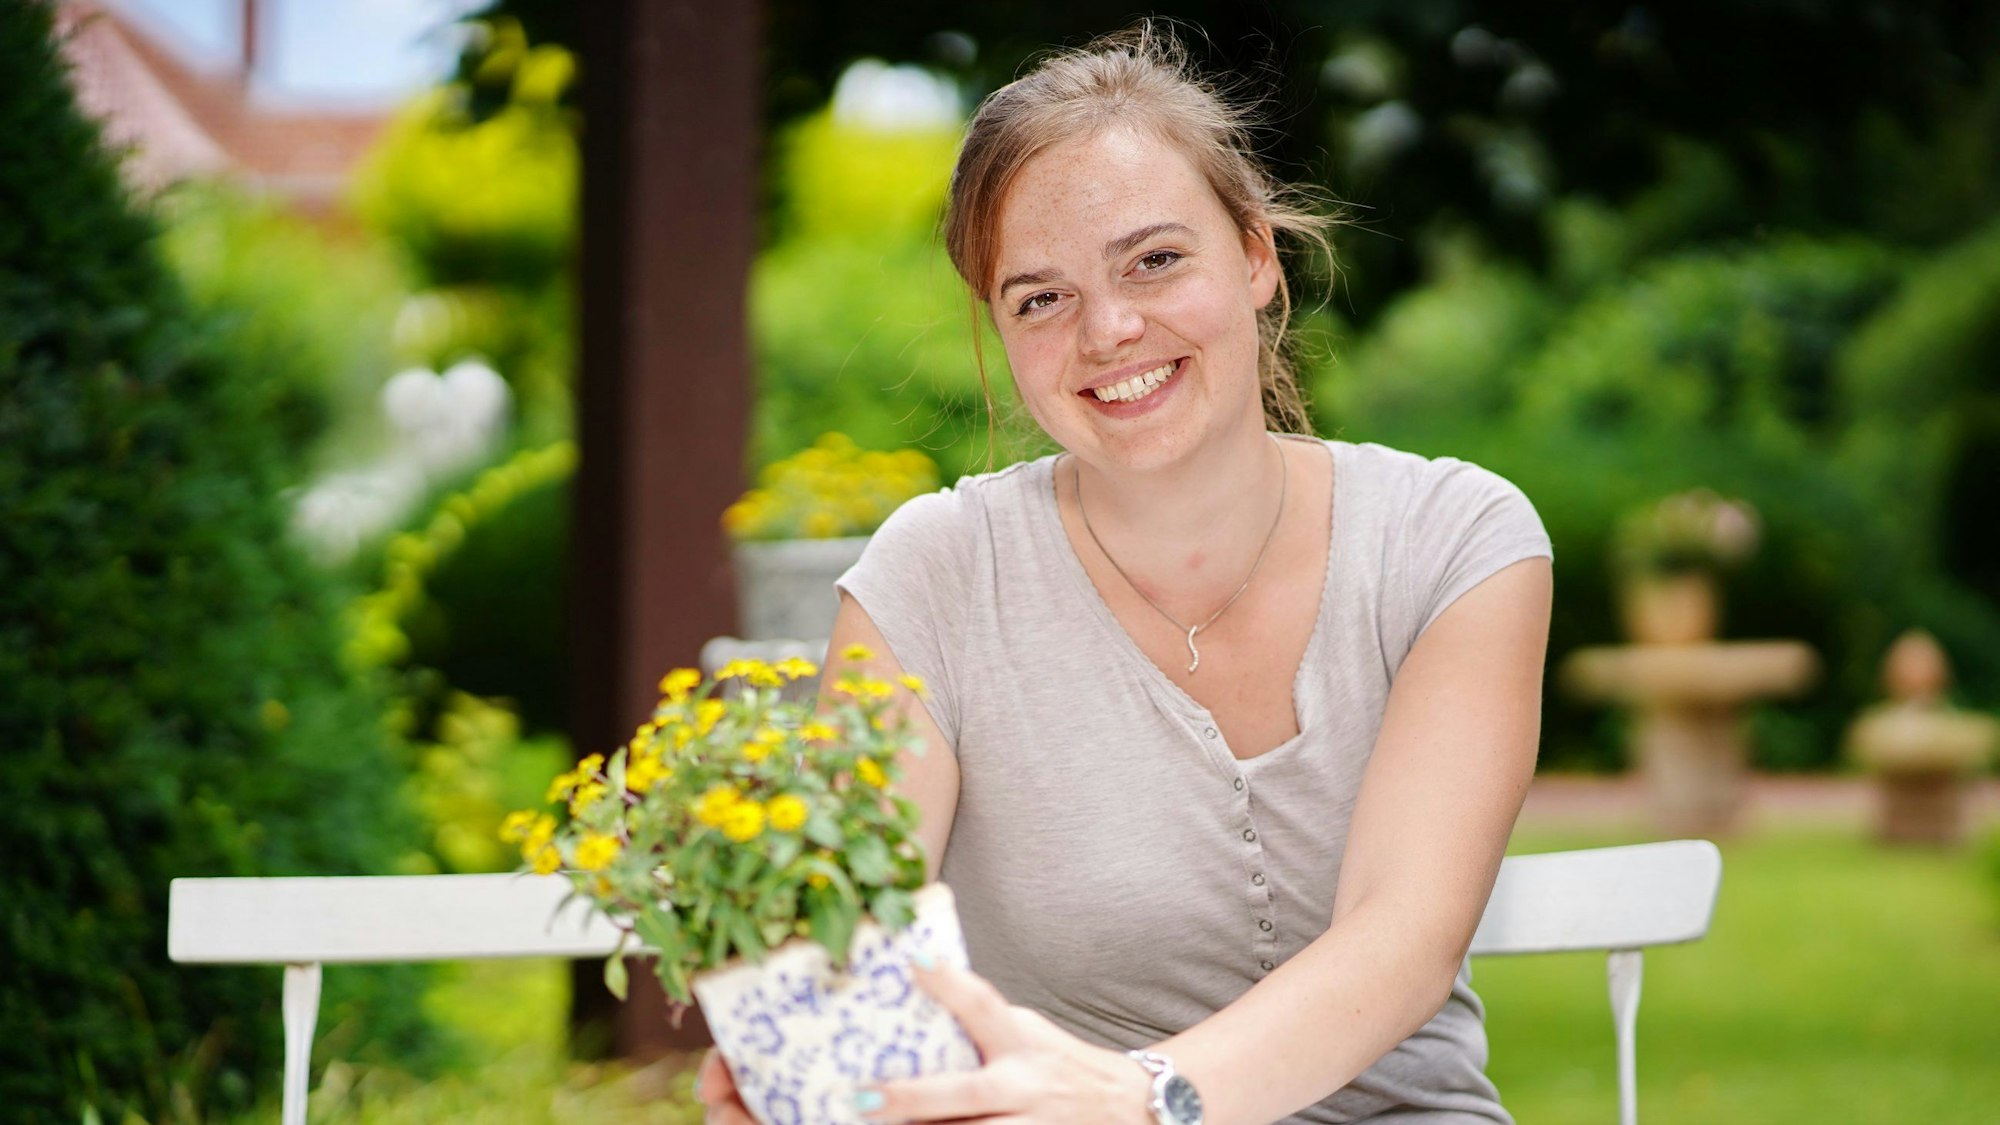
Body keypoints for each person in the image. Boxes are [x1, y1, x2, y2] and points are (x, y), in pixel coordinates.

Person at [701, 21, 1553, 1125]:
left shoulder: (1452, 540)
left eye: (1154, 260)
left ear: (1255, 257)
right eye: (1039, 297)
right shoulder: (930, 580)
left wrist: (1143, 1097)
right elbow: (859, 942)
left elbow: (1404, 938)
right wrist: (820, 1075)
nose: (1107, 329)